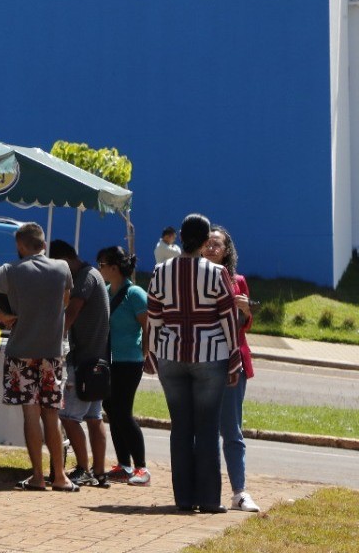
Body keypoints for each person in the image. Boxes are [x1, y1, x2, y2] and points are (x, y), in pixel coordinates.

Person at [0, 223, 77, 492]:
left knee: (31, 413)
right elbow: (65, 302)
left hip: (21, 353)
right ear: (43, 243)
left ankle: (38, 476)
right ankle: (60, 476)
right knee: (51, 413)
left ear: (20, 245)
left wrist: (1, 316)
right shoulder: (62, 269)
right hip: (51, 353)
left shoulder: (10, 271)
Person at [146, 213, 242, 514]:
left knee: (181, 428)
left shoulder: (161, 271)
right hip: (210, 355)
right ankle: (210, 500)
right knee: (208, 427)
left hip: (170, 356)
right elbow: (228, 318)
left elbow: (154, 318)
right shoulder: (216, 274)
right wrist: (234, 358)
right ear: (204, 242)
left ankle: (184, 499)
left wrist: (149, 354)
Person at [201, 225, 261, 513]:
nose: (212, 248)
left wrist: (246, 310)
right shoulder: (195, 279)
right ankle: (206, 490)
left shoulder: (237, 281)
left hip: (233, 362)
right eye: (208, 243)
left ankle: (239, 492)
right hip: (202, 361)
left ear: (227, 251)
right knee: (204, 430)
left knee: (231, 428)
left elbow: (244, 326)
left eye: (217, 244)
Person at [49, 240, 111, 489]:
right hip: (98, 359)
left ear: (64, 261)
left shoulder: (85, 277)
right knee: (95, 417)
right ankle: (99, 471)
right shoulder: (94, 274)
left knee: (69, 416)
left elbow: (72, 311)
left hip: (84, 360)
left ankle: (84, 470)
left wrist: (55, 339)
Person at [95, 246, 152, 487]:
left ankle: (141, 467)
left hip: (129, 361)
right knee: (112, 410)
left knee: (123, 412)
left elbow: (148, 325)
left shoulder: (135, 293)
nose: (100, 270)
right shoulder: (106, 292)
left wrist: (146, 353)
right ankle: (123, 464)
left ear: (114, 268)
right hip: (110, 361)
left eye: (102, 265)